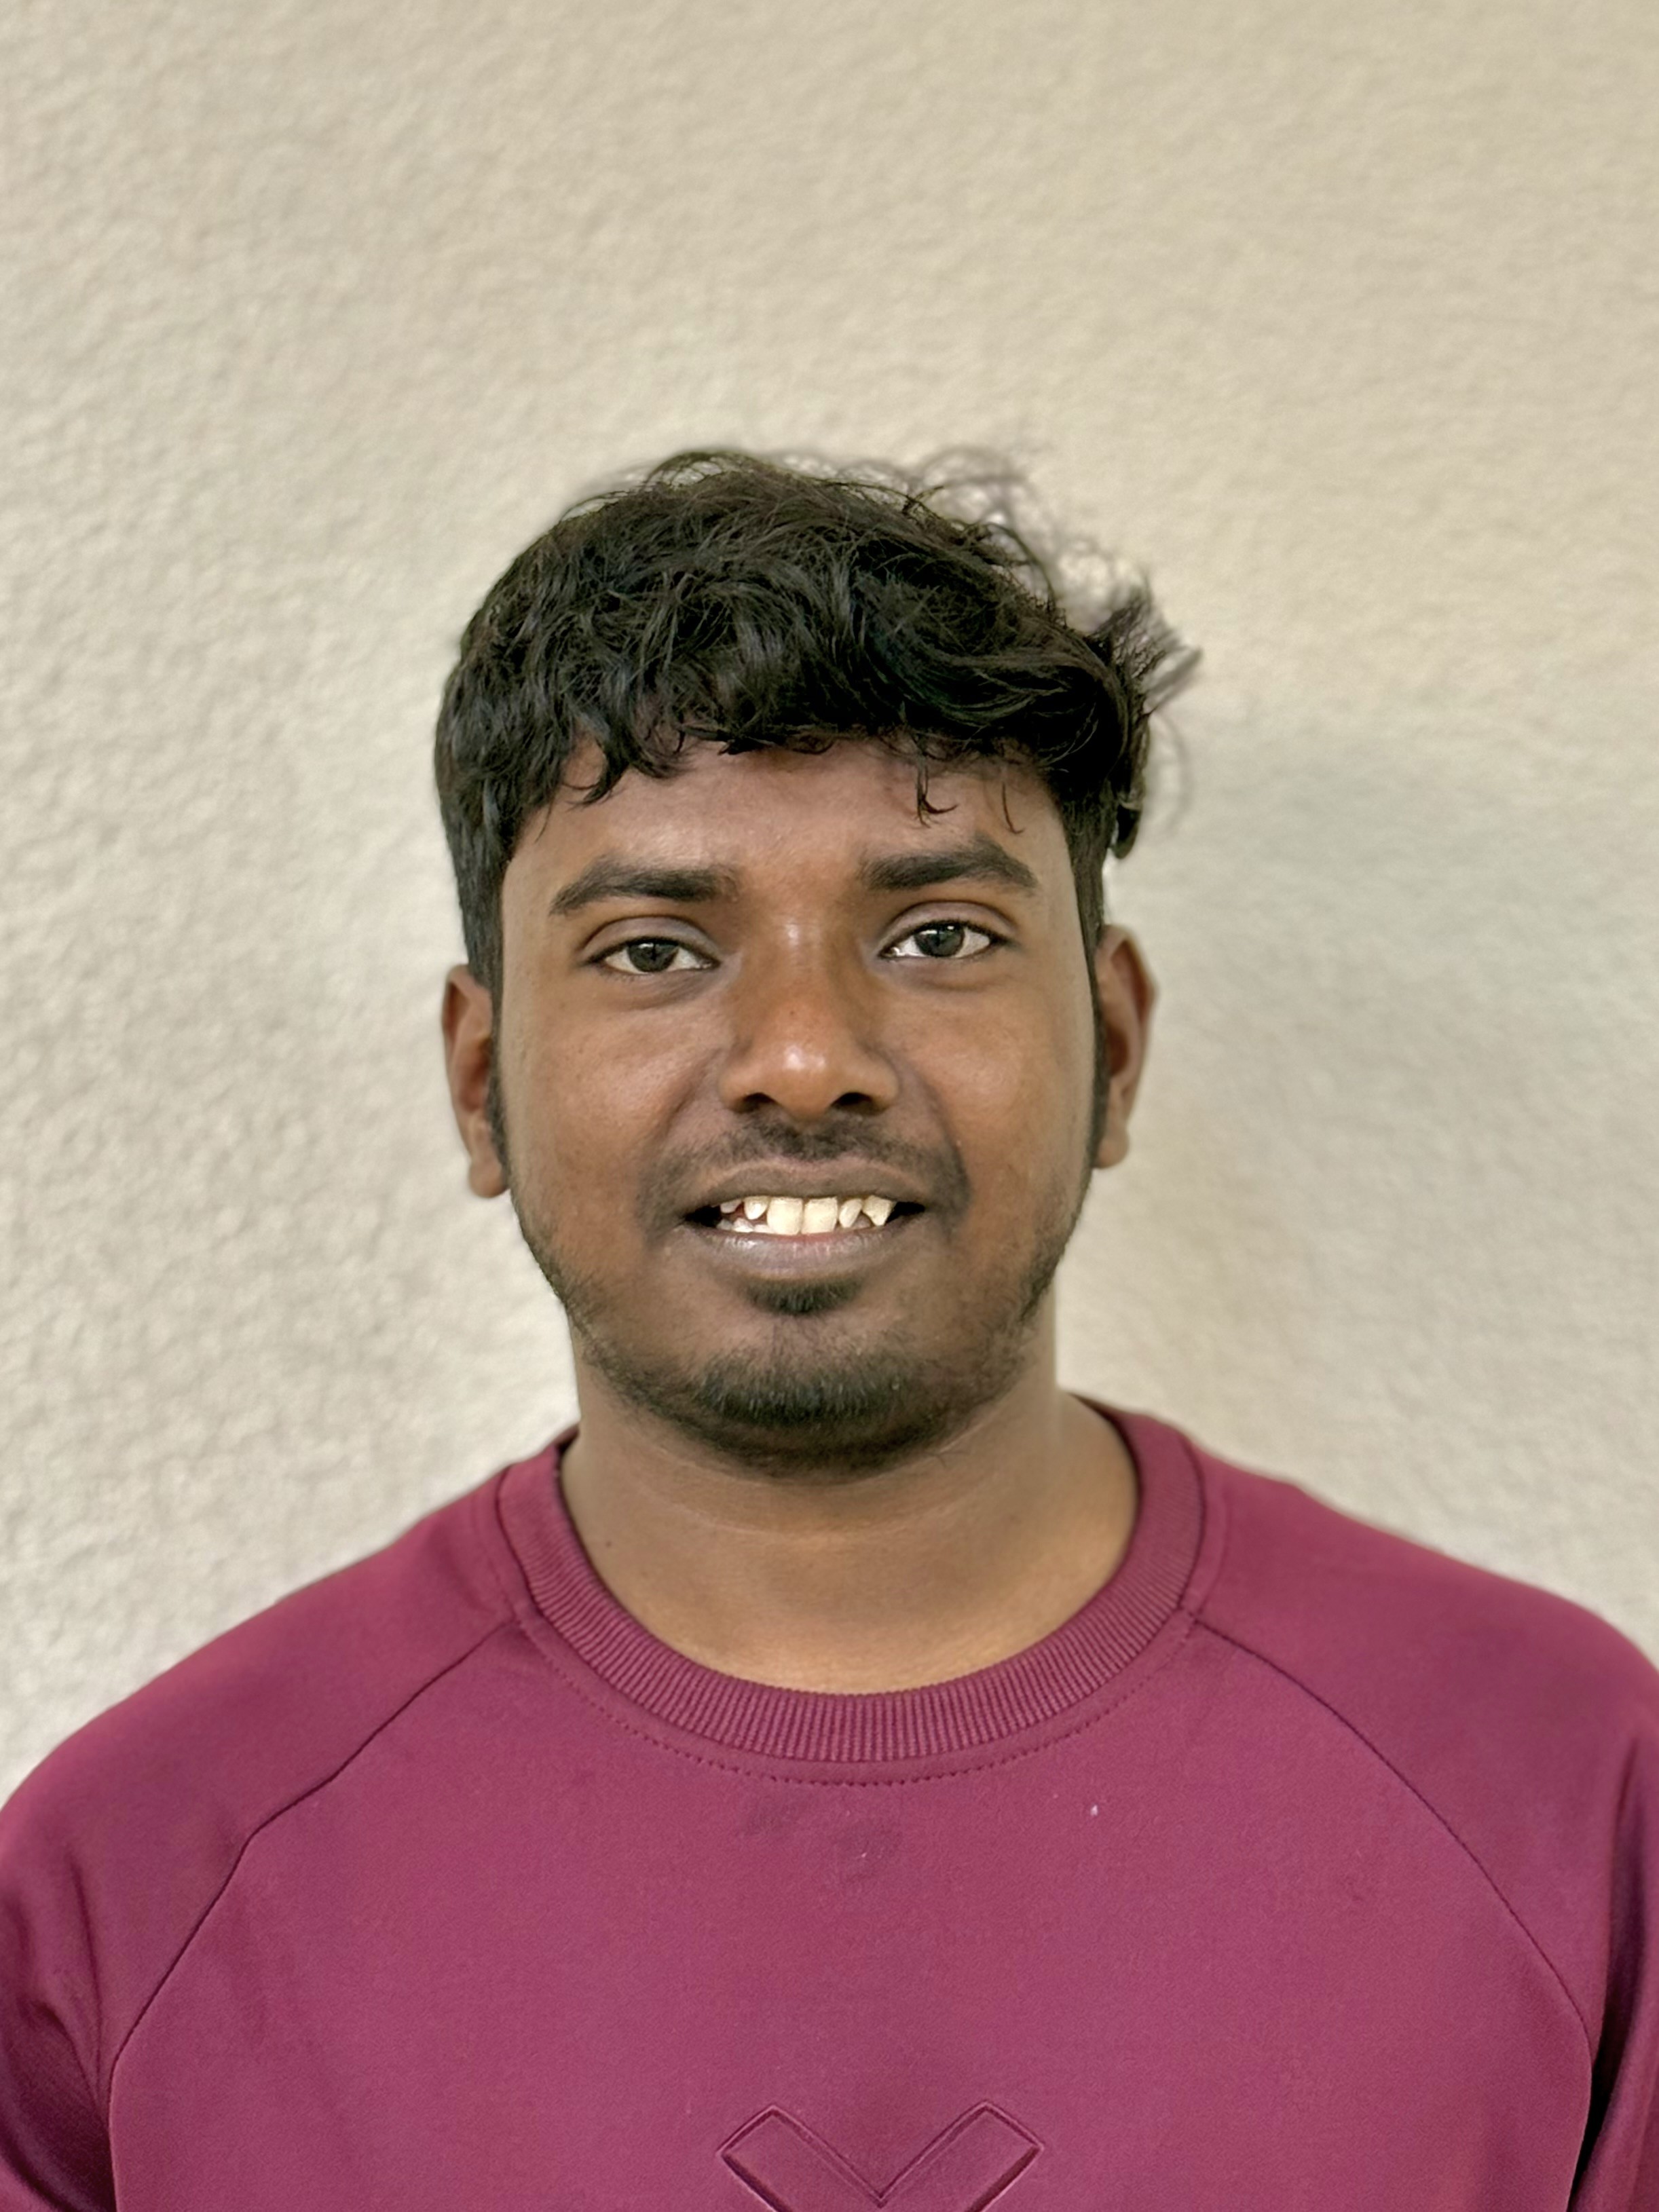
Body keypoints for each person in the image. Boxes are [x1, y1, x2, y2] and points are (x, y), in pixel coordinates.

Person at [1, 451, 1655, 2211]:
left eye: (938, 933)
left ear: (1113, 1045)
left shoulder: (1568, 1797)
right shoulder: (129, 1886)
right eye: (654, 949)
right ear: (481, 1083)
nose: (803, 1058)